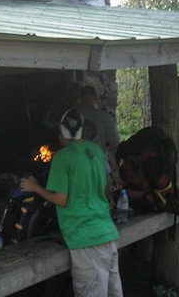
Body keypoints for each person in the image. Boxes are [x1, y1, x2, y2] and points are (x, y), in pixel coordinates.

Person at [21, 109, 123, 297]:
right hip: (107, 232)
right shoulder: (96, 151)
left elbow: (61, 199)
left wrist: (34, 188)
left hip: (84, 238)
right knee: (113, 293)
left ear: (61, 131)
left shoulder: (62, 157)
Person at [78, 86, 120, 159]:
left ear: (81, 98)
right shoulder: (105, 117)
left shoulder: (71, 116)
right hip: (97, 162)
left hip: (76, 161)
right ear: (95, 98)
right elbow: (114, 142)